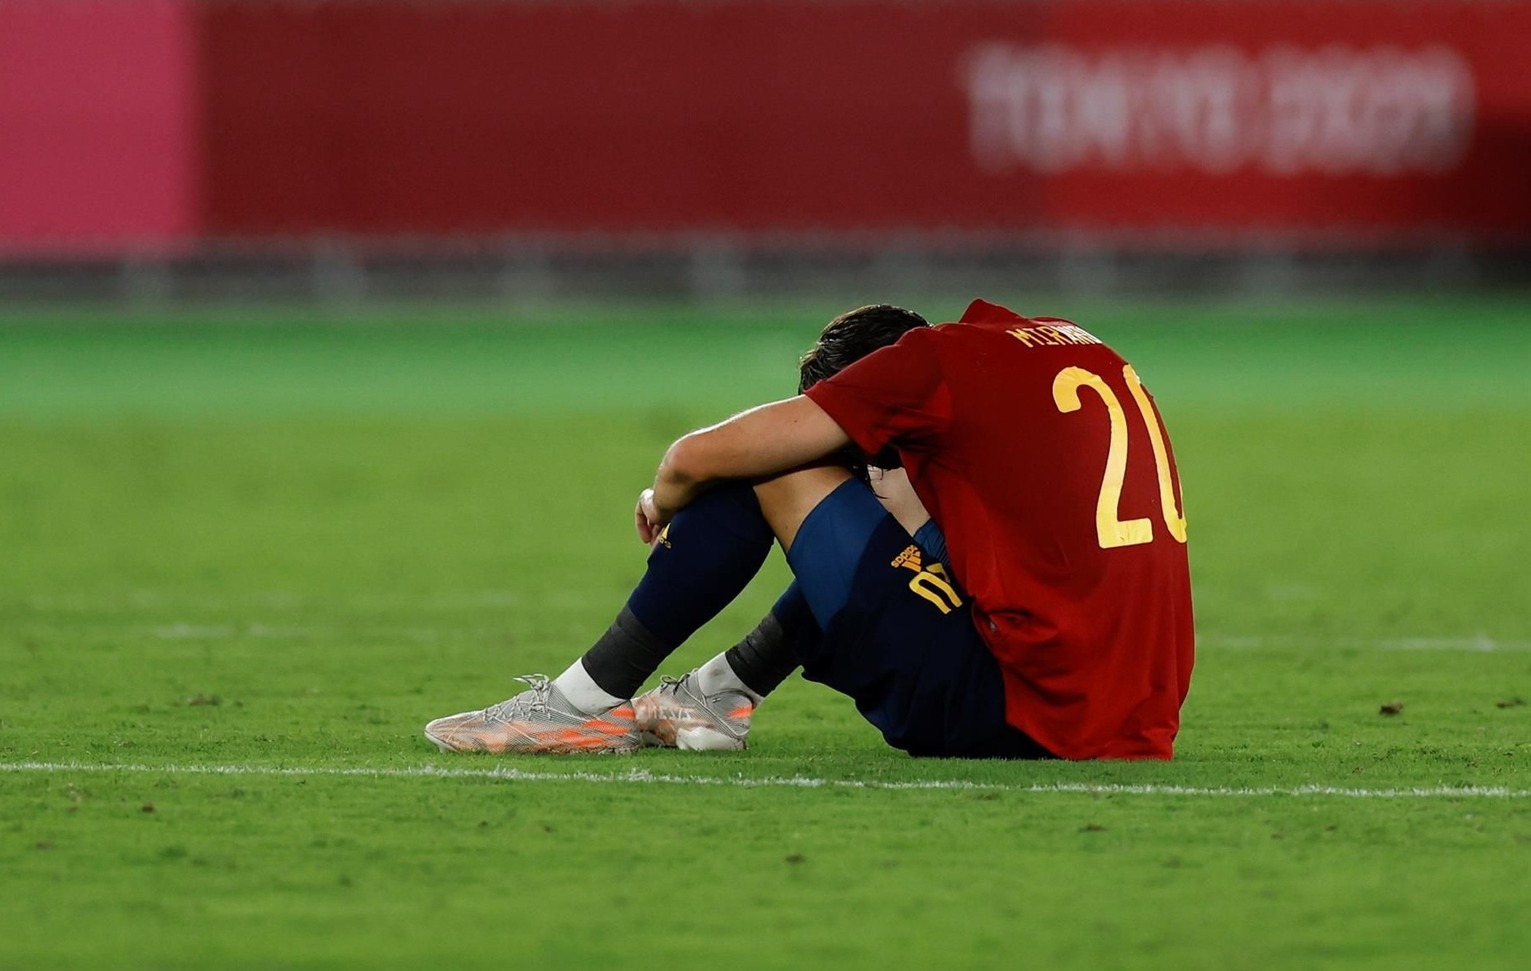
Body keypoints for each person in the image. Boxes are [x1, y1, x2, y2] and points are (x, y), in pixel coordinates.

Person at [424, 300, 1193, 760]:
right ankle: (715, 694)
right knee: (889, 530)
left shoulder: (926, 365)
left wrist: (662, 497)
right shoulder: (1064, 346)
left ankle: (577, 703)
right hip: (1135, 718)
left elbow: (693, 456)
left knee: (766, 470)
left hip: (1020, 711)